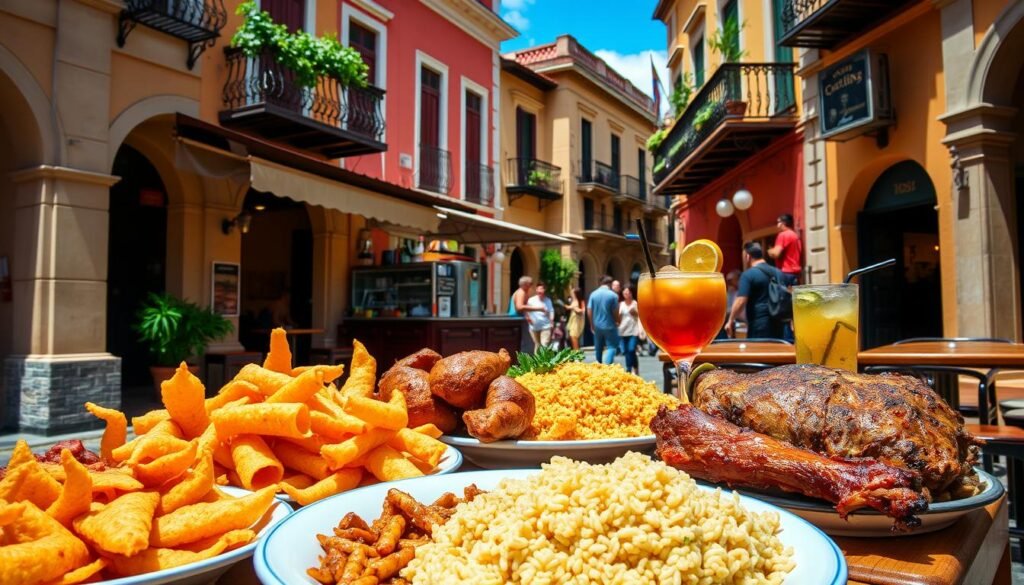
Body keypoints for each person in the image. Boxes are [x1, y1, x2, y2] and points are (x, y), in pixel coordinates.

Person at [726, 243, 785, 339]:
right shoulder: (778, 272)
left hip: (759, 324)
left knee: (759, 352)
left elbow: (741, 300)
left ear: (747, 256)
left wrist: (730, 320)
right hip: (779, 324)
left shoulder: (748, 275)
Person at [587, 275, 620, 364]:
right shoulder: (613, 295)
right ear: (609, 284)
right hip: (609, 324)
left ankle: (598, 364)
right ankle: (607, 365)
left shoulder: (593, 294)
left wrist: (591, 324)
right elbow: (615, 311)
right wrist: (617, 321)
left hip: (597, 325)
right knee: (611, 346)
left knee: (598, 348)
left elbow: (589, 310)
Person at [768, 213, 803, 287]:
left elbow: (776, 254)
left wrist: (769, 250)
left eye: (778, 222)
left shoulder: (783, 235)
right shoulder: (795, 236)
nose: (777, 225)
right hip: (795, 273)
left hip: (785, 272)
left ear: (783, 223)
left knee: (783, 297)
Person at [618, 285, 640, 375]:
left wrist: (635, 312)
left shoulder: (635, 303)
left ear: (631, 293)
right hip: (623, 331)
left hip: (634, 331)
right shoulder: (621, 304)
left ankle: (632, 368)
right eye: (624, 292)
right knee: (626, 352)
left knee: (631, 350)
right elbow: (618, 318)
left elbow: (640, 316)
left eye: (628, 292)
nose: (626, 294)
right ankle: (629, 369)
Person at [525, 282, 555, 350]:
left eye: (541, 289)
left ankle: (545, 359)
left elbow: (551, 311)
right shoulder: (531, 300)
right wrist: (528, 318)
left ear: (544, 290)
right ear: (536, 290)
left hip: (546, 326)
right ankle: (537, 360)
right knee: (537, 344)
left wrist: (552, 320)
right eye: (538, 289)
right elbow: (526, 310)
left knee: (544, 344)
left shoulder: (548, 300)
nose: (540, 291)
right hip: (534, 327)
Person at [717, 269, 742, 339]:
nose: (728, 283)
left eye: (731, 280)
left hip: (740, 322)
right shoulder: (729, 292)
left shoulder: (742, 292)